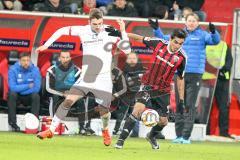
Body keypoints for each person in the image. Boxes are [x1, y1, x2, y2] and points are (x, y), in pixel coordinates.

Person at [36, 8, 131, 146]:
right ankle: (51, 130)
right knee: (68, 100)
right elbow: (61, 30)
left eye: (100, 23)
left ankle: (105, 130)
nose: (98, 27)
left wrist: (122, 31)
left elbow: (127, 50)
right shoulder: (83, 30)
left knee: (104, 111)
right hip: (87, 77)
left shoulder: (110, 30)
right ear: (89, 22)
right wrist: (46, 45)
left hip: (104, 78)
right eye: (95, 24)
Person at [149, 13, 221, 144]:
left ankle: (186, 137)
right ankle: (178, 135)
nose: (191, 23)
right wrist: (156, 29)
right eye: (189, 20)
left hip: (195, 74)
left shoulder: (203, 35)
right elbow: (164, 39)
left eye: (194, 21)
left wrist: (214, 32)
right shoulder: (181, 36)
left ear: (198, 23)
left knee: (189, 105)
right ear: (185, 22)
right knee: (179, 104)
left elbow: (215, 41)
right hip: (179, 74)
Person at [115, 28, 187, 149]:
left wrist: (181, 100)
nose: (177, 46)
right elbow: (138, 37)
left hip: (163, 91)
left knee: (163, 121)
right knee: (137, 110)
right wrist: (121, 33)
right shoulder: (158, 43)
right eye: (176, 42)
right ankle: (120, 140)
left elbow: (180, 78)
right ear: (170, 39)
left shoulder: (182, 57)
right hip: (148, 84)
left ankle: (151, 136)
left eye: (181, 43)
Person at [201, 40, 233, 137]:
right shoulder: (224, 45)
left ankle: (205, 132)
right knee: (221, 107)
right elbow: (229, 62)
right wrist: (221, 71)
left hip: (208, 80)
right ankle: (223, 132)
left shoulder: (205, 44)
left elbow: (202, 61)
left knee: (205, 108)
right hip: (218, 79)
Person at [8, 53, 41, 131]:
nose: (26, 63)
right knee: (11, 94)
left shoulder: (35, 70)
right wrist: (28, 86)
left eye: (28, 60)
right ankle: (13, 124)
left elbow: (37, 88)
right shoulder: (13, 69)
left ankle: (34, 125)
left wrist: (20, 88)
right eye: (23, 60)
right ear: (19, 61)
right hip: (17, 97)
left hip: (29, 96)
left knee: (36, 96)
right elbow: (12, 87)